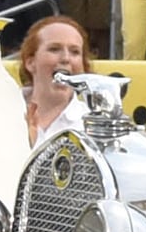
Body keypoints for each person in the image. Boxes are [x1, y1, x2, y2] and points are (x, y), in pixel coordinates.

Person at [16, 10, 95, 150]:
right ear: (30, 62)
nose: (66, 58)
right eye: (54, 49)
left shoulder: (92, 126)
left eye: (75, 52)